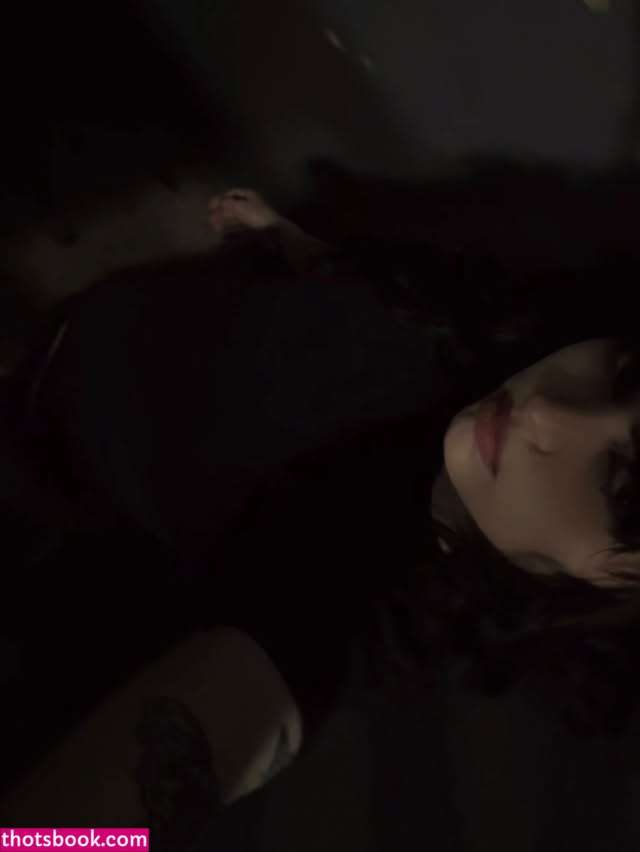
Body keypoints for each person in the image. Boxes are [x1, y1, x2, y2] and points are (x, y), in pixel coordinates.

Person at [2, 187, 640, 833]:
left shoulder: (357, 605)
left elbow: (105, 812)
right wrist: (293, 244)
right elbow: (406, 304)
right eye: (627, 375)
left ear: (624, 587)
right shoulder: (502, 332)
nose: (547, 410)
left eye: (620, 484)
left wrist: (42, 836)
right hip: (71, 332)